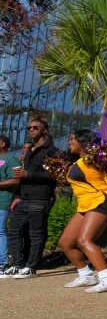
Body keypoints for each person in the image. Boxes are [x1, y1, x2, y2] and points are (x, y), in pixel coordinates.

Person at [57, 129, 107, 293]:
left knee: (85, 240)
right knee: (66, 242)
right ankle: (86, 275)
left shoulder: (93, 159)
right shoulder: (78, 162)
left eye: (72, 139)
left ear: (83, 142)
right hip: (85, 204)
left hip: (100, 200)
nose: (69, 142)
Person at [1, 118, 58, 279]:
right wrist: (18, 196)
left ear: (44, 130)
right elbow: (22, 177)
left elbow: (53, 175)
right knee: (14, 231)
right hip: (24, 197)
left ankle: (31, 266)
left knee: (36, 233)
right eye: (29, 128)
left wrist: (28, 174)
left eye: (35, 127)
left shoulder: (51, 151)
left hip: (40, 197)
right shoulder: (30, 151)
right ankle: (17, 264)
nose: (31, 130)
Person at [0, 135, 21, 271]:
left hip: (3, 200)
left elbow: (15, 180)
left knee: (0, 231)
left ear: (2, 144)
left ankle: (3, 262)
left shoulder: (11, 159)